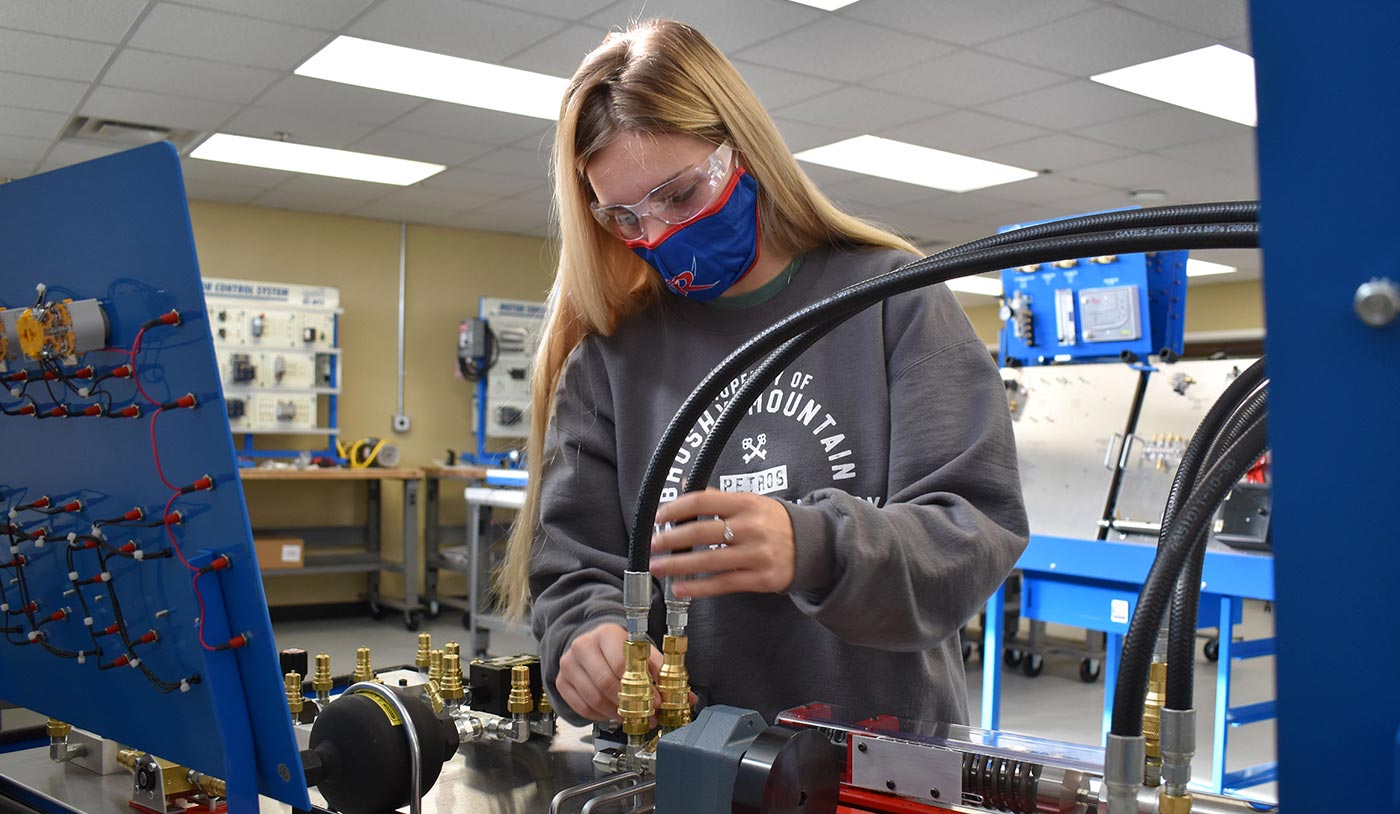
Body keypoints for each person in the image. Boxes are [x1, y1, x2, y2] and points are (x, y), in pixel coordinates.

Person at [499, 19, 1028, 728]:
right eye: (626, 218)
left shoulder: (891, 301)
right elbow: (572, 568)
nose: (658, 236)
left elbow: (972, 533)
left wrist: (813, 547)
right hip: (683, 760)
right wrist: (589, 643)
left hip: (878, 760)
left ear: (743, 151)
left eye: (680, 196)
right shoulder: (612, 360)